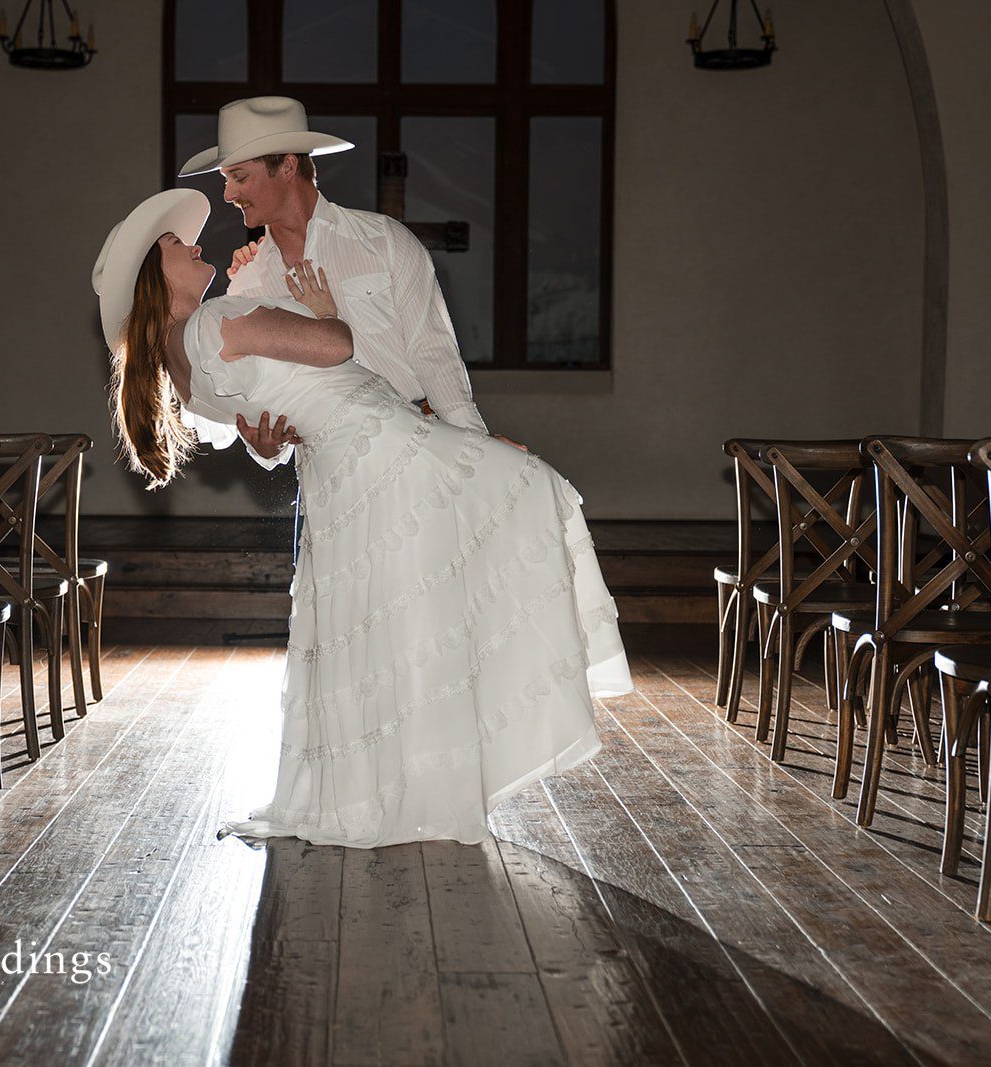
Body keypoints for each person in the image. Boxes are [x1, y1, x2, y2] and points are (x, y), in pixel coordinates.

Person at [92, 189, 631, 849]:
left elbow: (264, 425)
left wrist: (260, 324)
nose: (195, 245)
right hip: (380, 453)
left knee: (391, 625)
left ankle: (398, 787)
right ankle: (433, 779)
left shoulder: (182, 362)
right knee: (531, 496)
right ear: (156, 277)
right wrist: (322, 309)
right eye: (177, 248)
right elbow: (334, 348)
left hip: (341, 474)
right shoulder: (212, 324)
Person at [177, 95, 523, 466]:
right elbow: (266, 412)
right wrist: (266, 449)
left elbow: (434, 354)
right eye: (226, 181)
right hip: (331, 470)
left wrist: (479, 447)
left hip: (421, 450)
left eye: (239, 178)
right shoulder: (247, 285)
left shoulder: (383, 240)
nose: (228, 195)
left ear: (288, 166)